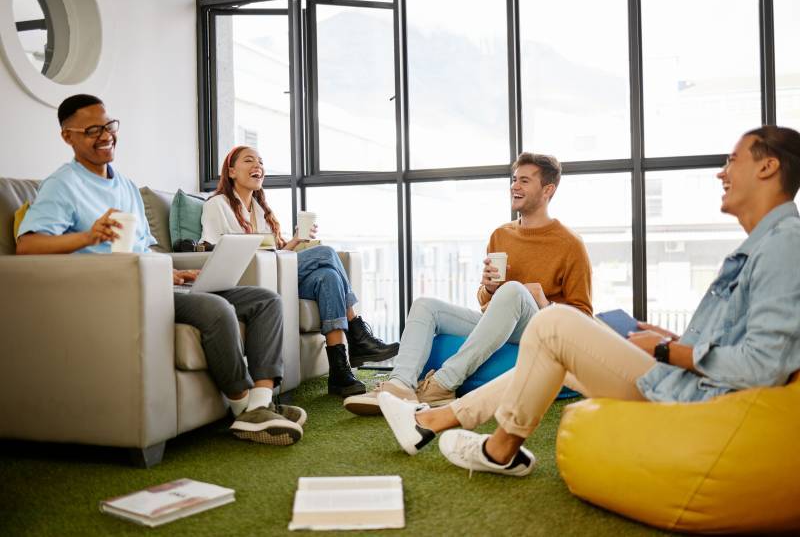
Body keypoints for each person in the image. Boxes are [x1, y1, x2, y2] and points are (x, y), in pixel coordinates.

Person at [378, 125, 800, 476]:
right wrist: (671, 339)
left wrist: (667, 350)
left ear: (768, 167)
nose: (721, 173)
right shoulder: (766, 244)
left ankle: (465, 428)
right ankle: (446, 426)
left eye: (732, 160)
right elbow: (744, 341)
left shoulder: (783, 245)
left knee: (554, 325)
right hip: (683, 379)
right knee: (550, 340)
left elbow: (764, 364)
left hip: (692, 396)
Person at [16, 94, 305, 446]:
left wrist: (171, 271)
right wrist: (89, 236)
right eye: (92, 130)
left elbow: (145, 248)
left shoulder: (125, 185)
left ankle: (261, 403)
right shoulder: (62, 185)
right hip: (117, 291)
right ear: (67, 136)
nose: (105, 135)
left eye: (108, 126)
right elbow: (27, 246)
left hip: (155, 284)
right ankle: (243, 409)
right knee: (216, 309)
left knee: (265, 300)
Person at [343, 152, 593, 415]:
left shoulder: (570, 244)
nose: (515, 186)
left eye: (525, 181)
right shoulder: (501, 235)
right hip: (501, 323)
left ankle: (443, 383)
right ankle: (400, 386)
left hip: (541, 328)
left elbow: (584, 317)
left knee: (514, 290)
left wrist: (544, 302)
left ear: (547, 190)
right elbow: (487, 303)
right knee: (425, 305)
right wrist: (488, 289)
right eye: (514, 179)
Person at [200, 145, 400, 398]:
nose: (258, 166)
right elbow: (211, 249)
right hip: (246, 276)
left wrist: (296, 240)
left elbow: (275, 253)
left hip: (274, 273)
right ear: (231, 172)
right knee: (326, 253)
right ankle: (357, 330)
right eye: (249, 161)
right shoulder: (217, 204)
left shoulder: (260, 210)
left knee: (328, 277)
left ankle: (339, 373)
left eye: (261, 162)